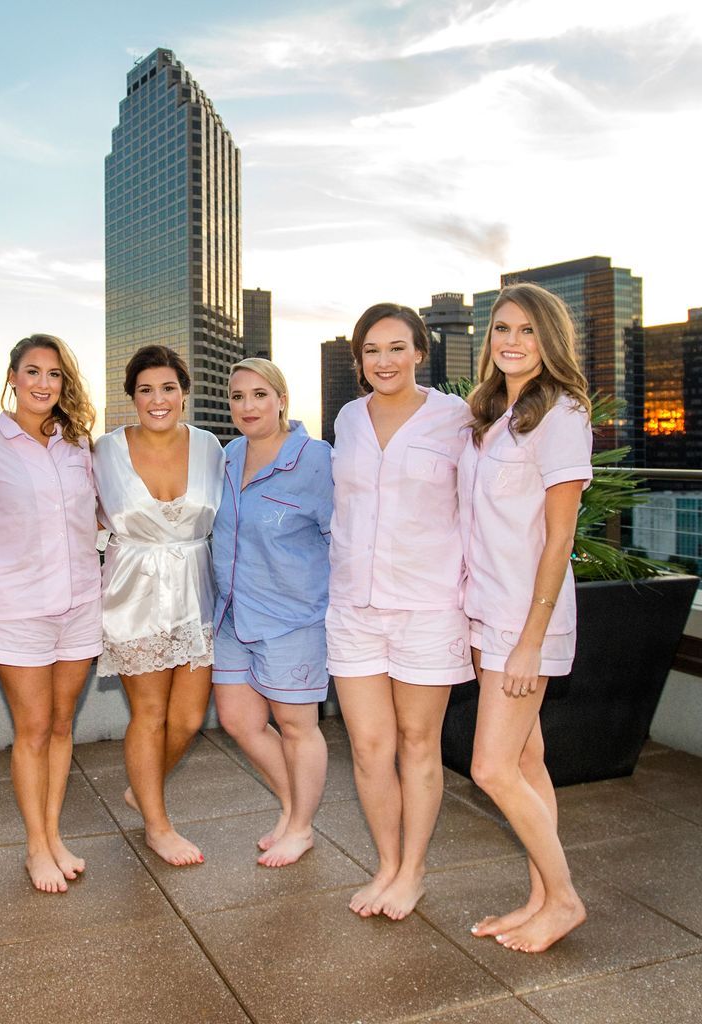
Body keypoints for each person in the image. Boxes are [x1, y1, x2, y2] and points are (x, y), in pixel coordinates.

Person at [328, 303, 475, 920]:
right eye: (371, 350)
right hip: (354, 606)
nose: (383, 361)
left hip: (428, 605)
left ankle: (413, 871)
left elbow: (478, 506)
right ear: (359, 360)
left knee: (418, 743)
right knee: (367, 747)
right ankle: (386, 864)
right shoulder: (347, 418)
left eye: (396, 348)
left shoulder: (456, 418)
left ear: (420, 351)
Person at [461, 283, 591, 953]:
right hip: (489, 614)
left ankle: (565, 898)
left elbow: (559, 538)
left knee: (491, 769)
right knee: (527, 760)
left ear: (550, 341)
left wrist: (529, 642)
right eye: (502, 328)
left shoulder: (561, 414)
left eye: (527, 331)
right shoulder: (492, 413)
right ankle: (540, 898)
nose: (512, 340)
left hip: (525, 623)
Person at [0, 335, 100, 894]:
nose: (43, 383)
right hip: (17, 607)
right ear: (13, 377)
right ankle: (34, 847)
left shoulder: (79, 445)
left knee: (63, 725)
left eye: (54, 374)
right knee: (34, 728)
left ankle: (53, 834)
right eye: (33, 372)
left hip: (80, 604)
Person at [94, 345, 224, 867]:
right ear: (131, 397)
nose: (158, 399)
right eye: (145, 389)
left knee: (189, 719)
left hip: (196, 593)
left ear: (184, 392)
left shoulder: (212, 446)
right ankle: (157, 823)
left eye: (168, 387)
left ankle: (142, 788)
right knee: (149, 714)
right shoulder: (104, 450)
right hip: (134, 595)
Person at [211, 358, 333, 867]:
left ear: (282, 398)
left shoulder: (316, 458)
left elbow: (340, 536)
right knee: (239, 721)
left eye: (259, 395)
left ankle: (301, 826)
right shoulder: (226, 455)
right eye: (238, 397)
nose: (248, 406)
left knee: (296, 726)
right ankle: (290, 807)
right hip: (232, 615)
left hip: (292, 619)